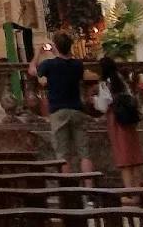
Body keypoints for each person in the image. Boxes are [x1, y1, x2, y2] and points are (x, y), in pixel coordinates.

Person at [29, 31, 93, 179]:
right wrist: (57, 51)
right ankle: (90, 191)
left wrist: (38, 54)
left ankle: (68, 190)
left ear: (55, 46)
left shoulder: (49, 65)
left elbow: (32, 71)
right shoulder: (78, 65)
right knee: (84, 153)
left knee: (63, 154)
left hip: (58, 111)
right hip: (77, 109)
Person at [93, 56, 143, 192]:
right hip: (129, 119)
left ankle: (129, 190)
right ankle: (138, 189)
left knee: (123, 156)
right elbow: (130, 96)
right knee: (134, 155)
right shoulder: (121, 80)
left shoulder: (105, 83)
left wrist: (94, 100)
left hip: (116, 119)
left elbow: (104, 105)